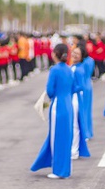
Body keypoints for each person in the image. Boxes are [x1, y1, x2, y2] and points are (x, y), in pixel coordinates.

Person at [31, 43, 75, 179]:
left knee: (57, 138)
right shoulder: (69, 69)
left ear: (55, 53)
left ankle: (58, 170)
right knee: (66, 137)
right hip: (68, 105)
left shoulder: (55, 70)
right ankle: (65, 169)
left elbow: (50, 90)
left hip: (58, 106)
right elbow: (73, 88)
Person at [70, 45, 91, 159]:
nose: (74, 55)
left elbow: (81, 86)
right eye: (73, 52)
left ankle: (74, 151)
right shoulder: (74, 66)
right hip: (72, 97)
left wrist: (69, 89)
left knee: (75, 125)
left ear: (82, 56)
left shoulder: (79, 69)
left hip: (75, 98)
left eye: (77, 54)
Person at [75, 40, 94, 140]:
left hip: (82, 87)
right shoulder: (90, 60)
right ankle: (88, 132)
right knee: (87, 110)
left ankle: (84, 133)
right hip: (88, 84)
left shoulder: (81, 64)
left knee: (82, 110)